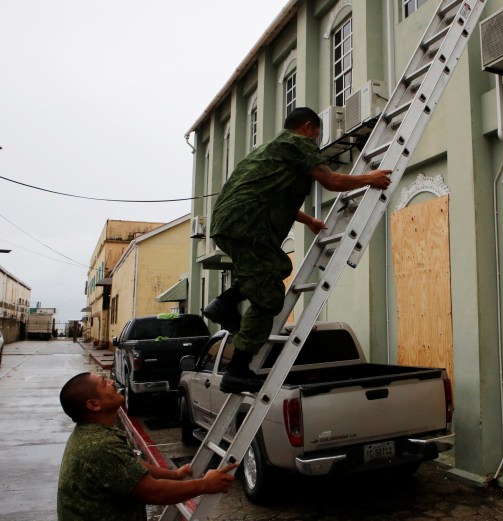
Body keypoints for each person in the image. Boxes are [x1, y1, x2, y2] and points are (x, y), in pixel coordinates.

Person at [204, 106, 391, 394]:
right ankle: (237, 370)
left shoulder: (272, 149)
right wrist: (370, 178)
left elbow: (272, 195)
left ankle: (225, 302)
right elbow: (331, 181)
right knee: (269, 297)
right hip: (248, 224)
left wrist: (310, 221)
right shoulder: (298, 143)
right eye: (317, 134)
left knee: (280, 267)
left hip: (233, 221)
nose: (316, 141)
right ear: (307, 127)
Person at [57, 372, 237, 521]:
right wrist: (206, 485)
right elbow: (155, 493)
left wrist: (174, 475)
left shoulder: (93, 434)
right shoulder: (100, 446)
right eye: (104, 383)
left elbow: (132, 466)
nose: (112, 381)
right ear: (94, 405)